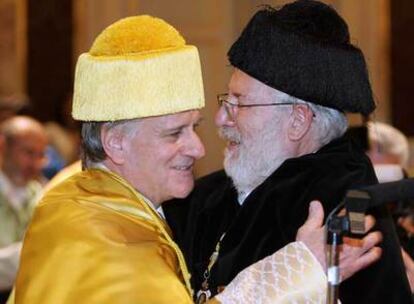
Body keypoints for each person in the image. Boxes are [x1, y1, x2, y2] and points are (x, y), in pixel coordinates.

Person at [12, 15, 381, 304]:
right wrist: (298, 270)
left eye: (194, 127)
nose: (199, 148)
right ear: (116, 143)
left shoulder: (105, 203)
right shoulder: (96, 230)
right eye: (174, 133)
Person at [164, 1, 412, 303]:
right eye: (225, 101)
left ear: (297, 121)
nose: (220, 119)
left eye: (239, 103)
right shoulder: (206, 198)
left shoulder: (345, 212)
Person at [0, 116, 47, 302]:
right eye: (28, 152)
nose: (35, 163)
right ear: (2, 146)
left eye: (41, 155)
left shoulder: (43, 194)